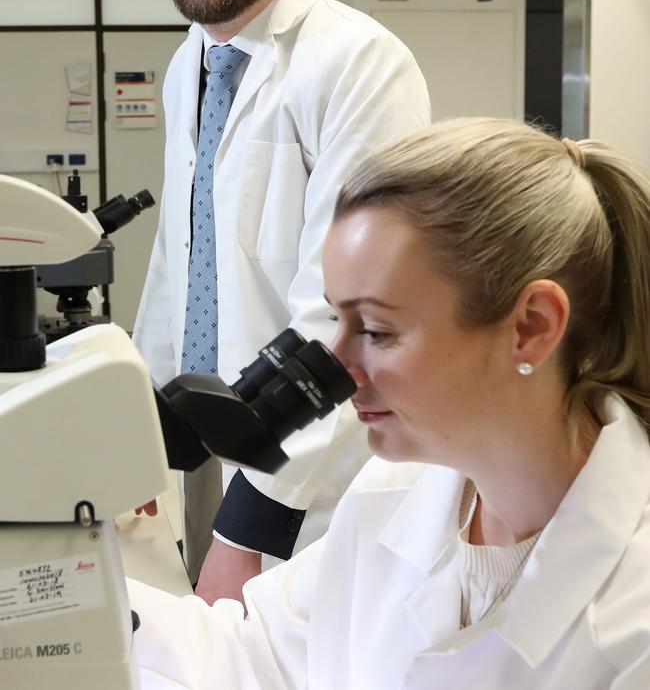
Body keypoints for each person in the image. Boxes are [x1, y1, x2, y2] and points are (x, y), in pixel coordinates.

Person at [129, 117, 650, 688]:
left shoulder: (632, 618)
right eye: (336, 318)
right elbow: (254, 652)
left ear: (530, 327)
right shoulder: (396, 496)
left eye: (376, 330)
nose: (341, 370)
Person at [130, 0, 431, 598]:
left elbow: (351, 315)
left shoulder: (358, 63)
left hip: (311, 480)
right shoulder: (188, 63)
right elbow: (180, 264)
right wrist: (136, 440)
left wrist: (253, 519)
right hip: (203, 447)